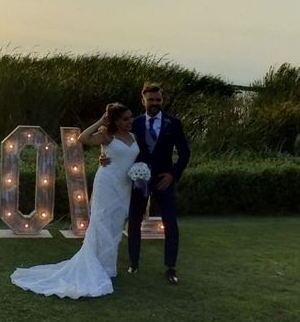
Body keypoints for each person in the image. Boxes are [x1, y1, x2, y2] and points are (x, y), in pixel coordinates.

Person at [10, 103, 137, 298]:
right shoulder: (106, 136)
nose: (130, 121)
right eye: (125, 119)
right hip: (107, 183)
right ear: (115, 121)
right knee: (101, 223)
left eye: (131, 117)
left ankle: (108, 266)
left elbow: (132, 157)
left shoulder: (134, 137)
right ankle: (101, 267)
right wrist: (100, 122)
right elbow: (82, 138)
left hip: (125, 185)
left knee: (115, 225)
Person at [110, 82, 190, 285]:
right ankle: (133, 263)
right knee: (134, 222)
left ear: (162, 100)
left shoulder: (174, 123)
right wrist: (105, 158)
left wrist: (172, 175)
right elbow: (117, 144)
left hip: (165, 181)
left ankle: (170, 267)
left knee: (170, 223)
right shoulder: (133, 123)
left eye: (158, 99)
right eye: (151, 99)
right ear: (143, 100)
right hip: (140, 181)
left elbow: (185, 153)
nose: (155, 103)